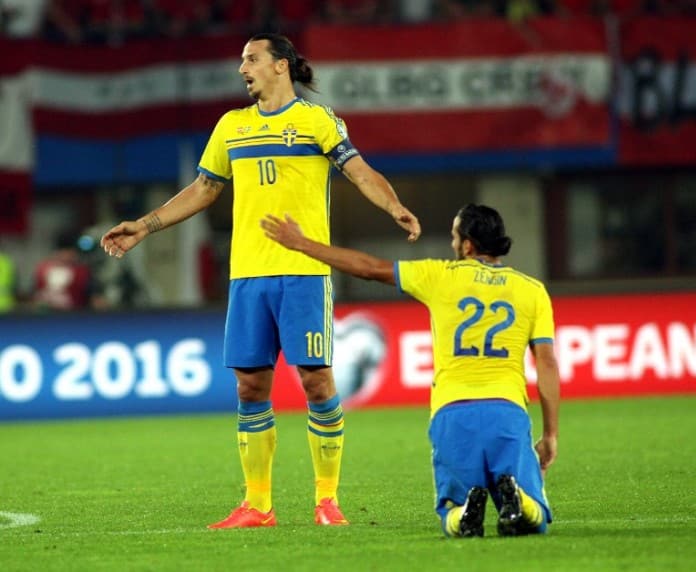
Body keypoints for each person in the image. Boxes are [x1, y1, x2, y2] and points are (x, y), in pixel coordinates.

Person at [100, 32, 421, 529]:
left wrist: (394, 205)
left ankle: (327, 501)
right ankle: (257, 505)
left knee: (316, 381)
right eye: (241, 60)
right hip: (248, 275)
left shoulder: (317, 120)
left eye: (251, 59)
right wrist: (144, 225)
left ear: (280, 66)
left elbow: (359, 171)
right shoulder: (232, 126)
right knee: (250, 386)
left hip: (303, 274)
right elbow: (204, 189)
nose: (242, 68)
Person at [261, 203, 560, 538]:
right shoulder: (532, 291)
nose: (451, 244)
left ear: (468, 245)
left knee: (451, 515)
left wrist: (303, 244)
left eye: (453, 236)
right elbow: (546, 362)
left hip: (452, 413)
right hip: (507, 413)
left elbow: (368, 268)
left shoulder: (440, 276)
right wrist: (549, 435)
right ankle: (518, 499)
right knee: (536, 520)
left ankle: (464, 513)